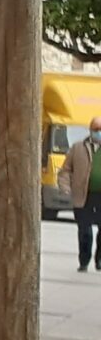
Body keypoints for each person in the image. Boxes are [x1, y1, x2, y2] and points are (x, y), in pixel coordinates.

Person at [68, 115, 101, 274]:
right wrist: (66, 187)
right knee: (85, 231)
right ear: (90, 130)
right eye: (96, 130)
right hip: (84, 196)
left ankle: (100, 260)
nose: (99, 133)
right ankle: (84, 261)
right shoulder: (77, 148)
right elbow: (65, 170)